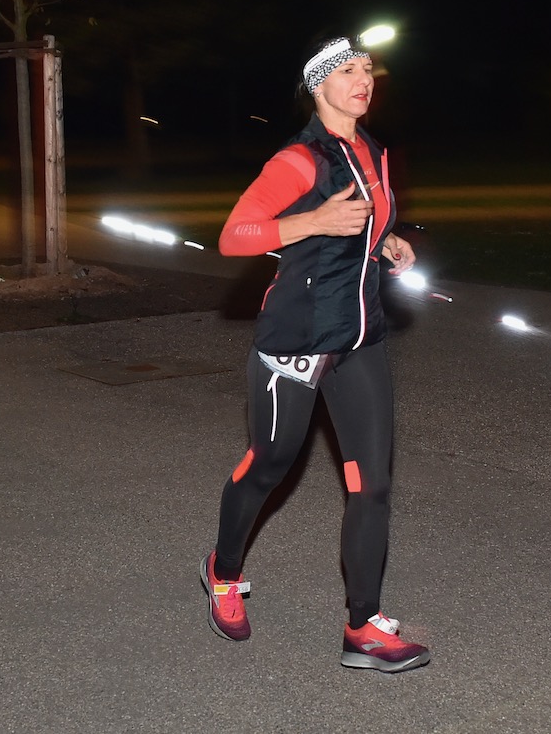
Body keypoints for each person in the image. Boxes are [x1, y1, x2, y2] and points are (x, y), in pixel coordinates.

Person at [199, 36, 430, 673]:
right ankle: (223, 571)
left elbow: (362, 223)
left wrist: (384, 244)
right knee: (269, 465)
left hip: (360, 339)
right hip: (296, 342)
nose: (363, 81)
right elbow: (234, 236)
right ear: (318, 85)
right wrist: (314, 223)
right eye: (347, 72)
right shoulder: (299, 160)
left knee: (372, 486)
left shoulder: (371, 151)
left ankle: (363, 627)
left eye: (367, 71)